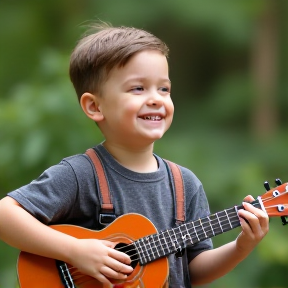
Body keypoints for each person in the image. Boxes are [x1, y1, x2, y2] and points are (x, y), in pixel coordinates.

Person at [0, 22, 269, 288]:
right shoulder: (80, 174)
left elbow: (191, 270)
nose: (155, 98)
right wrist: (75, 251)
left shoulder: (185, 185)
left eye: (164, 88)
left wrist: (241, 246)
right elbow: (5, 215)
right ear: (94, 106)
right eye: (138, 88)